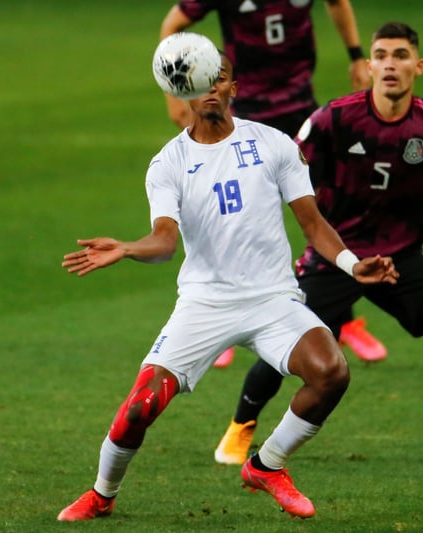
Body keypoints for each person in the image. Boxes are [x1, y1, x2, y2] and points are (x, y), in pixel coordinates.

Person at [56, 53, 398, 522]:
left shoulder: (274, 144)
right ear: (184, 92)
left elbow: (313, 224)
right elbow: (164, 243)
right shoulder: (168, 164)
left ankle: (267, 465)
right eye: (200, 81)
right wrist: (129, 248)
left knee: (331, 372)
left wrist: (352, 265)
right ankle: (102, 494)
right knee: (138, 409)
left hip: (273, 299)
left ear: (234, 86)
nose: (211, 88)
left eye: (220, 79)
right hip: (205, 303)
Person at [214, 21, 423, 468]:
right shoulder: (334, 118)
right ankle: (240, 428)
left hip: (402, 258)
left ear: (418, 66)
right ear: (368, 65)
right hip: (338, 257)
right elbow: (282, 166)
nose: (391, 64)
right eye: (382, 56)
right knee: (290, 348)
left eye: (401, 56)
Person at [160, 0, 387, 367]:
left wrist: (357, 55)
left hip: (301, 109)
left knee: (328, 212)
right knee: (229, 215)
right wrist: (176, 93)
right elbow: (172, 26)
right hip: (239, 112)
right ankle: (218, 324)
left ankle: (343, 320)